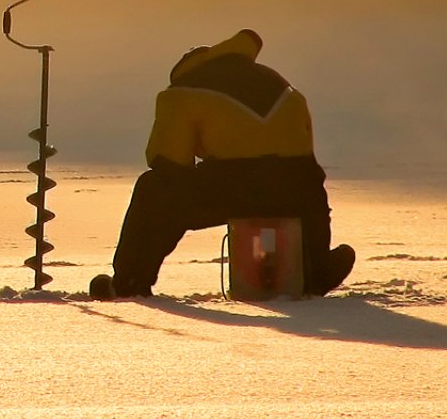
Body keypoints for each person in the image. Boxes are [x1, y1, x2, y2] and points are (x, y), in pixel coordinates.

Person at [90, 29, 355, 299]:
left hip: (236, 186)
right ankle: (317, 269)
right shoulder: (283, 86)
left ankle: (129, 281)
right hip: (298, 191)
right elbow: (303, 152)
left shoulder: (182, 92)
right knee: (306, 181)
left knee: (154, 189)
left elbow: (168, 161)